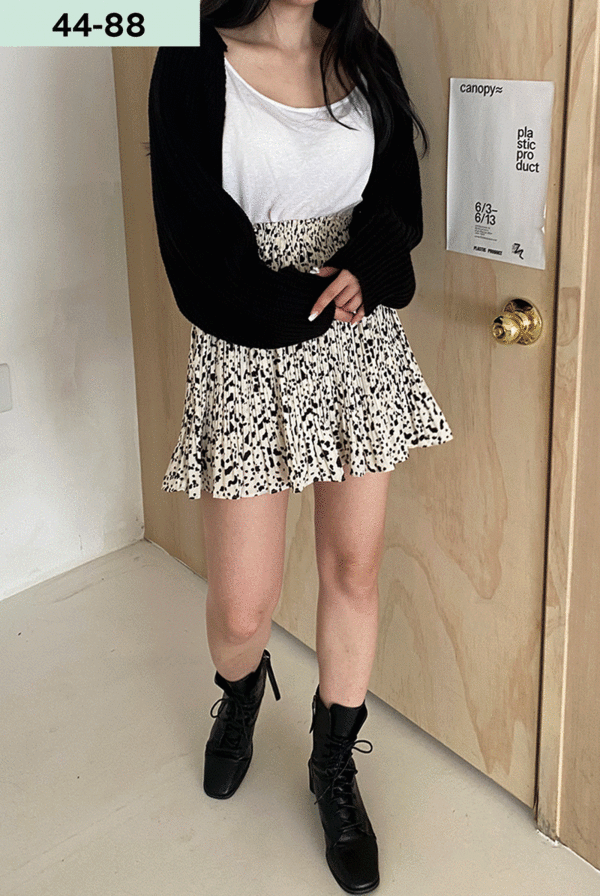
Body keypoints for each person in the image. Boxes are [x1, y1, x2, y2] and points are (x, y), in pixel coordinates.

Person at [147, 1, 453, 892]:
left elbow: (397, 202)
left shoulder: (363, 52)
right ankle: (242, 693)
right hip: (248, 342)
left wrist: (369, 267)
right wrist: (299, 308)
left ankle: (333, 763)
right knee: (244, 609)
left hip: (355, 337)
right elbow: (191, 237)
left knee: (354, 567)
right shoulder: (193, 56)